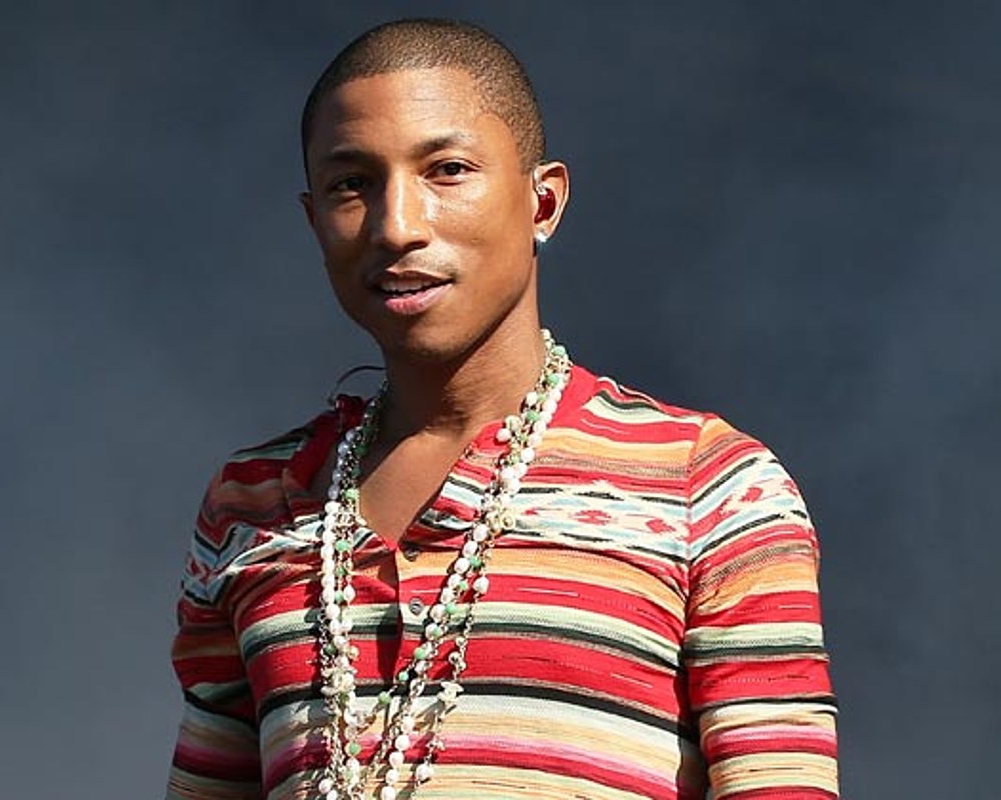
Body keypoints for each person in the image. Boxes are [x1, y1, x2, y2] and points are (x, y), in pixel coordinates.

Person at [166, 18, 838, 800]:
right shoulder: (254, 504)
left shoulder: (708, 486)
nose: (397, 226)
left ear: (542, 202)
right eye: (353, 184)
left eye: (447, 170)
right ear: (314, 221)